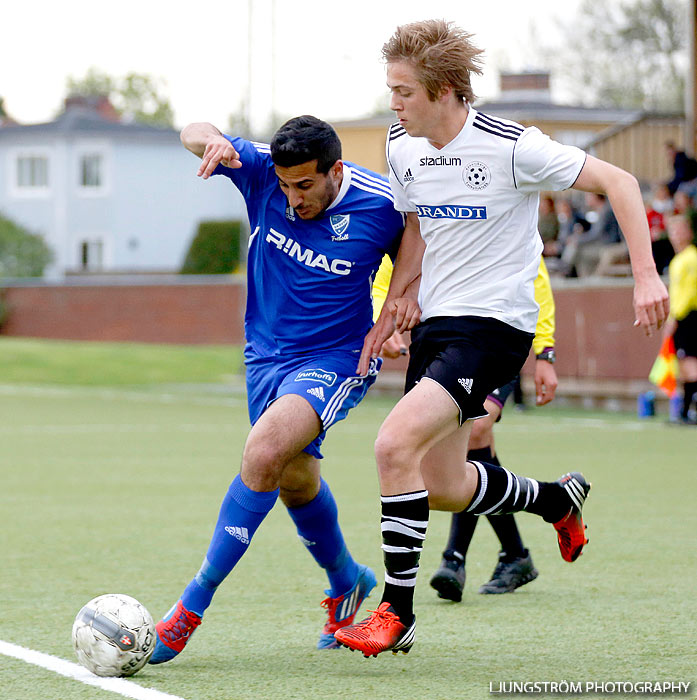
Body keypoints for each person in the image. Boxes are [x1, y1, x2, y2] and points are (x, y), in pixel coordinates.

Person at [334, 19, 669, 658]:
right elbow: (416, 232)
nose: (394, 103)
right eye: (391, 90)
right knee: (443, 485)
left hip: (494, 328)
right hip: (437, 323)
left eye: (403, 91)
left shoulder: (515, 146)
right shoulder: (402, 145)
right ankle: (554, 499)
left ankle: (395, 615)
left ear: (444, 89)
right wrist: (397, 303)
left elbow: (622, 184)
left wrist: (646, 278)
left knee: (392, 444)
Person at [148, 115, 404, 663]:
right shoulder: (263, 169)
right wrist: (210, 139)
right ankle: (347, 580)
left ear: (336, 170)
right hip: (264, 357)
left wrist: (399, 318)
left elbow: (424, 259)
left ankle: (188, 611)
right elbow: (190, 129)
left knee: (262, 453)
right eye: (285, 186)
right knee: (294, 479)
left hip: (336, 360)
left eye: (305, 186)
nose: (292, 198)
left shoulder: (385, 205)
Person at [430, 256, 558, 600]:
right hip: (448, 339)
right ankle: (515, 553)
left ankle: (454, 557)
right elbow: (390, 273)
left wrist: (545, 353)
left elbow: (539, 282)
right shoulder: (425, 210)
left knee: (475, 430)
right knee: (463, 446)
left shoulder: (507, 212)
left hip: (500, 337)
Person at [664, 214, 697, 423]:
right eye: (672, 231)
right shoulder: (678, 259)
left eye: (679, 230)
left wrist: (676, 317)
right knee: (684, 364)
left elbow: (691, 291)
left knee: (690, 362)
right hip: (681, 316)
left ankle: (688, 411)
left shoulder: (691, 258)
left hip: (689, 316)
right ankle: (684, 411)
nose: (676, 236)